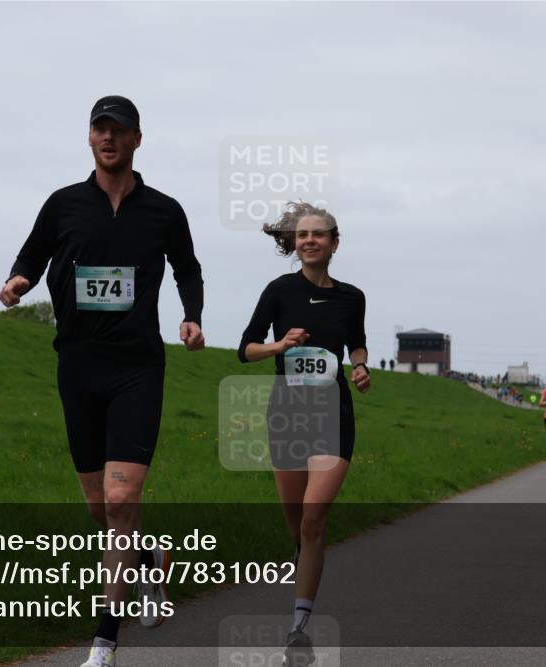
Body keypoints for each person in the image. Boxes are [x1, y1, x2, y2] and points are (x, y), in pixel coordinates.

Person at [0, 95, 206, 667]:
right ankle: (150, 562)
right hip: (78, 365)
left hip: (137, 368)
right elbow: (33, 254)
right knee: (100, 508)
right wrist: (17, 282)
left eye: (118, 130)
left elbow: (187, 266)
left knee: (120, 499)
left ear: (138, 139)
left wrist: (192, 314)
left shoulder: (164, 210)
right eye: (99, 129)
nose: (108, 138)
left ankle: (104, 645)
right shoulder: (64, 203)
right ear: (89, 138)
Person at [237, 201, 369, 666]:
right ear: (294, 243)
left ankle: (298, 628)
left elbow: (356, 340)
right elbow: (245, 349)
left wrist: (359, 367)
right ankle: (304, 561)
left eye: (319, 234)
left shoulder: (353, 297)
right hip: (289, 412)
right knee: (296, 525)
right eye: (302, 235)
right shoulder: (278, 291)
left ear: (335, 242)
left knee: (314, 519)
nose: (309, 241)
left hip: (334, 412)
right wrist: (280, 344)